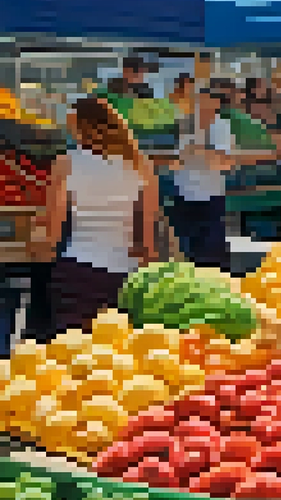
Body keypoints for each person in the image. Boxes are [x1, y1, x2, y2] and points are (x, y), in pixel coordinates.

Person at [34, 97, 160, 337]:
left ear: (82, 128)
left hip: (78, 269)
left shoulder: (66, 163)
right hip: (126, 273)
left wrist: (40, 251)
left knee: (73, 347)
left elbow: (53, 229)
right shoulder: (141, 164)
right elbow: (147, 232)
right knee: (120, 349)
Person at [165, 85, 237, 269]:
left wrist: (198, 148)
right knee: (184, 255)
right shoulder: (186, 124)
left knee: (211, 256)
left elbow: (224, 162)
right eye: (197, 102)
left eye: (205, 102)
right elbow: (178, 160)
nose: (200, 106)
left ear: (216, 104)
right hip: (183, 196)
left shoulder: (221, 127)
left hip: (209, 198)